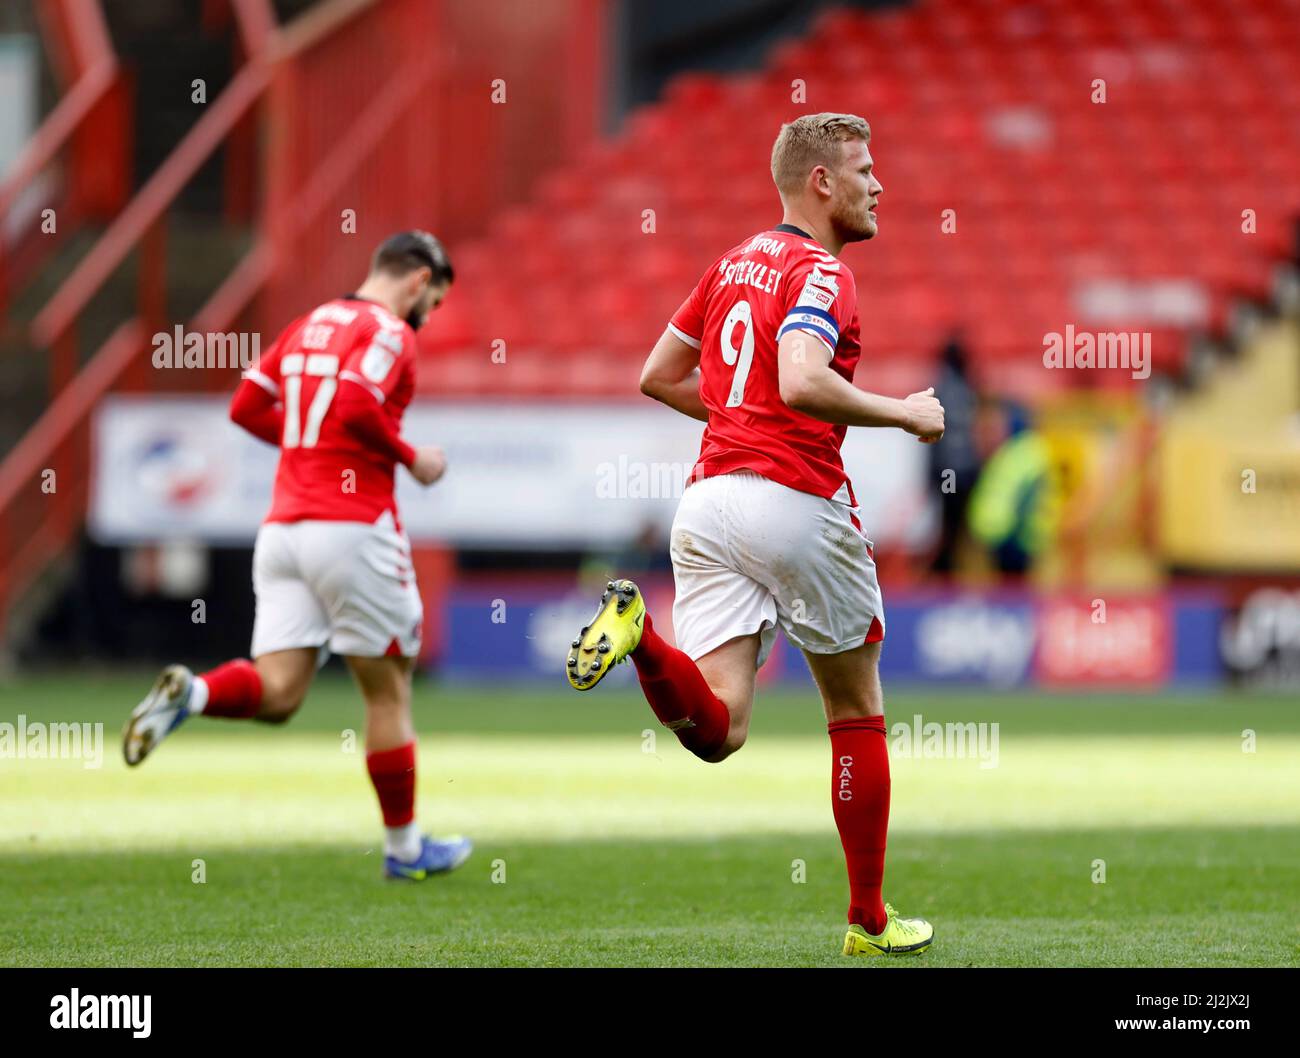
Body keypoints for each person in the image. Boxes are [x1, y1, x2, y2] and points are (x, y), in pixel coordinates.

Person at [564, 114, 944, 957]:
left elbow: (655, 375)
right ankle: (869, 921)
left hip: (706, 504)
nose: (879, 186)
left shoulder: (730, 263)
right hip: (794, 500)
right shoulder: (823, 272)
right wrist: (903, 414)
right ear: (821, 182)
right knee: (855, 706)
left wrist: (739, 412)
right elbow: (804, 379)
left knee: (721, 730)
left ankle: (640, 637)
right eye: (865, 170)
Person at [121, 231, 472, 881]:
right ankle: (404, 852)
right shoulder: (390, 332)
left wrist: (304, 445)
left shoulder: (308, 324)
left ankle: (191, 694)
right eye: (435, 302)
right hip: (352, 529)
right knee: (389, 691)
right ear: (419, 281)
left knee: (280, 694)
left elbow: (246, 405)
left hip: (284, 531)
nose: (428, 318)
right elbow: (357, 402)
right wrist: (412, 458)